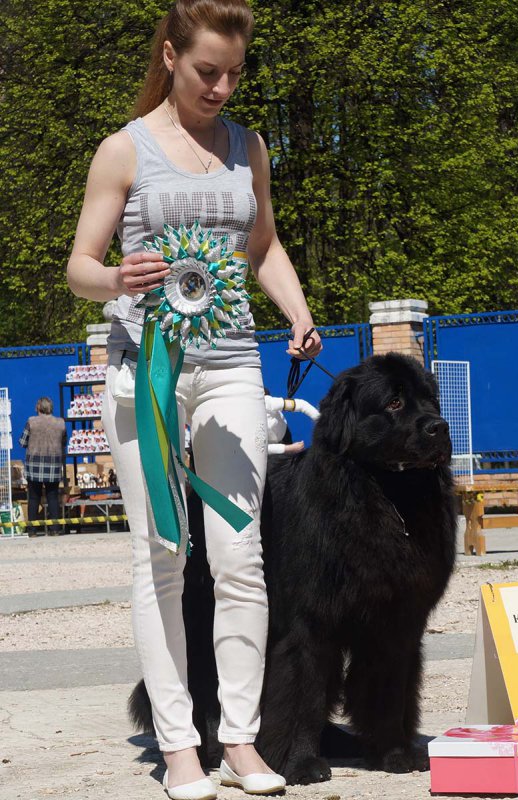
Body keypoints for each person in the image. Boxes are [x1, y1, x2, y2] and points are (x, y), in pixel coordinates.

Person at [67, 2, 321, 797]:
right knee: (163, 555)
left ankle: (240, 741)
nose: (221, 88)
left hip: (232, 363)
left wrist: (297, 310)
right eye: (207, 71)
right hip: (144, 370)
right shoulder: (124, 149)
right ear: (171, 57)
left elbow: (262, 245)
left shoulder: (249, 147)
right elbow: (79, 265)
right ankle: (179, 745)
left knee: (240, 553)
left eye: (234, 74)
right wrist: (116, 278)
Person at [18, 397, 67, 537]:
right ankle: (55, 529)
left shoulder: (31, 421)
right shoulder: (60, 423)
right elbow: (64, 442)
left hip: (34, 466)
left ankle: (32, 531)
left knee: (34, 498)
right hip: (54, 465)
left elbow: (22, 442)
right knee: (53, 497)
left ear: (38, 407)